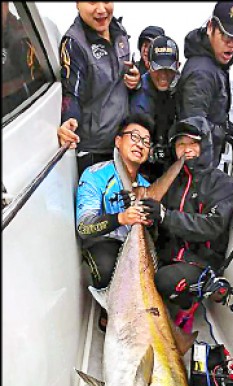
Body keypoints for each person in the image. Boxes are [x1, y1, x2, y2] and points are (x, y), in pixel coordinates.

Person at [140, 116, 233, 332]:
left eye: (193, 143)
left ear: (205, 145)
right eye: (181, 144)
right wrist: (149, 216)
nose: (187, 149)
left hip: (201, 261)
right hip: (169, 253)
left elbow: (212, 225)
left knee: (164, 281)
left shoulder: (221, 183)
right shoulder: (171, 179)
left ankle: (189, 303)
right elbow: (158, 220)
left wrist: (165, 216)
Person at [76, 113, 154, 331]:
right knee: (106, 264)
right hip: (102, 243)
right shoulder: (94, 175)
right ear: (118, 141)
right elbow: (83, 227)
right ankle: (109, 311)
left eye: (146, 142)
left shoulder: (147, 187)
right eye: (134, 137)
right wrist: (121, 218)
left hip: (135, 249)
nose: (140, 144)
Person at [57, 2, 141, 177]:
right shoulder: (74, 44)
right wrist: (68, 120)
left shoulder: (119, 31)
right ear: (77, 4)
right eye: (92, 2)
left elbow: (118, 77)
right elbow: (72, 93)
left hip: (122, 143)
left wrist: (134, 80)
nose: (102, 9)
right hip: (94, 153)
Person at [176, 1, 233, 167]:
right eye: (226, 36)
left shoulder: (214, 65)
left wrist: (223, 125)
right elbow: (191, 134)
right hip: (196, 174)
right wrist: (221, 131)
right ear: (211, 27)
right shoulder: (202, 73)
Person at [130, 35, 180, 181]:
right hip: (144, 171)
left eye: (169, 69)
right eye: (158, 69)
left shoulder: (182, 90)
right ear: (148, 64)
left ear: (178, 66)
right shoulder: (140, 98)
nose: (164, 76)